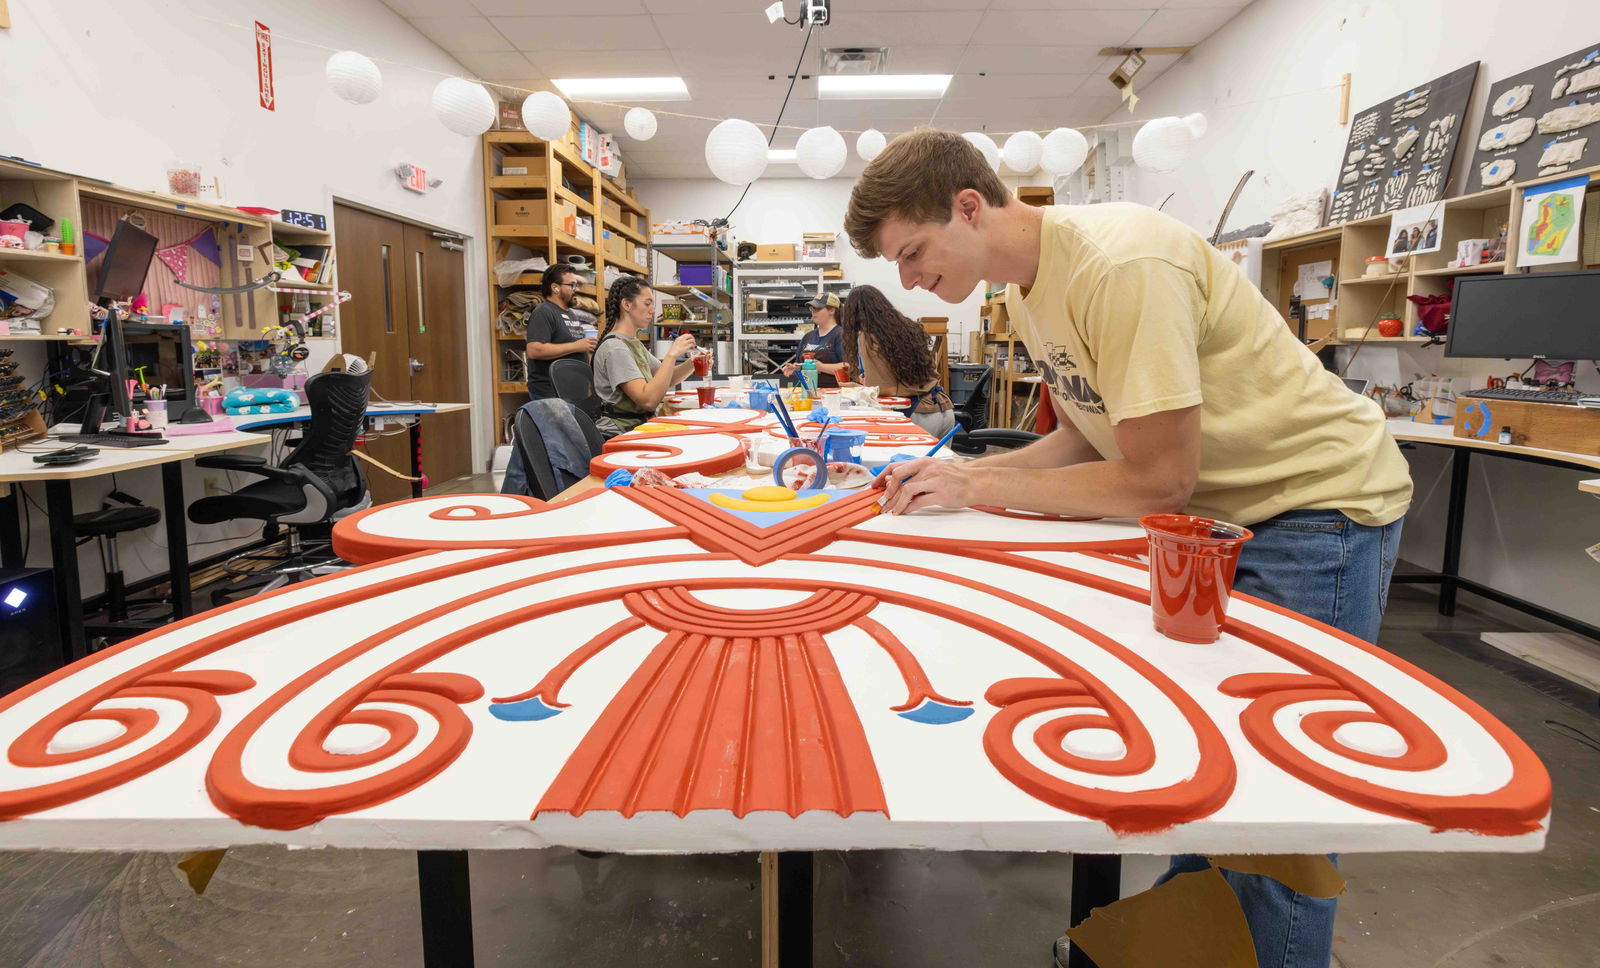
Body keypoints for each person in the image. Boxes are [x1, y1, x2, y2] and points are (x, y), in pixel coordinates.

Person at [843, 129, 1412, 968]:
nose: (910, 280)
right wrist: (960, 470)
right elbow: (1084, 435)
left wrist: (977, 487)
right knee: (1220, 772)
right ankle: (1200, 943)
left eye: (915, 251)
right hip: (1215, 519)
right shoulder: (1025, 288)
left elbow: (1154, 480)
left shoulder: (1120, 265)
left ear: (970, 206)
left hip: (1314, 508)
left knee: (1281, 800)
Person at [837, 285, 955, 437]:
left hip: (919, 415)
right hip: (943, 408)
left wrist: (859, 388)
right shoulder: (908, 326)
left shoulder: (868, 338)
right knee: (943, 461)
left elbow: (884, 389)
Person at [592, 276, 697, 437]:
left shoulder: (632, 343)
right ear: (626, 304)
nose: (653, 310)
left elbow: (668, 377)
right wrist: (672, 354)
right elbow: (648, 401)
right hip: (620, 432)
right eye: (647, 304)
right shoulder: (615, 348)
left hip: (639, 426)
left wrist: (695, 361)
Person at [525, 264, 596, 400]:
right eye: (572, 285)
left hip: (571, 393)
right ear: (555, 288)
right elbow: (534, 350)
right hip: (551, 394)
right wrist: (577, 346)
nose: (576, 290)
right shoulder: (544, 312)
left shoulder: (570, 313)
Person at [782, 293, 847, 388]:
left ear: (832, 310)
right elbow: (802, 365)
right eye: (812, 308)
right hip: (808, 393)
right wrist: (796, 369)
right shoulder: (808, 337)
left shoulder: (841, 335)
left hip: (833, 395)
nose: (813, 311)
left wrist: (820, 367)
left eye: (818, 308)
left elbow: (849, 367)